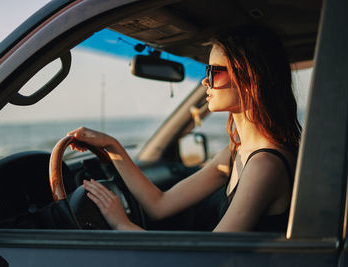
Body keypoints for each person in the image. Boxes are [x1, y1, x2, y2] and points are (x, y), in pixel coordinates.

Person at [67, 25, 301, 232]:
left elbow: (209, 259)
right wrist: (112, 146)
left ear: (250, 80)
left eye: (214, 72)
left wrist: (122, 225)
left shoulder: (264, 165)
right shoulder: (236, 154)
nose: (205, 81)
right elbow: (159, 205)